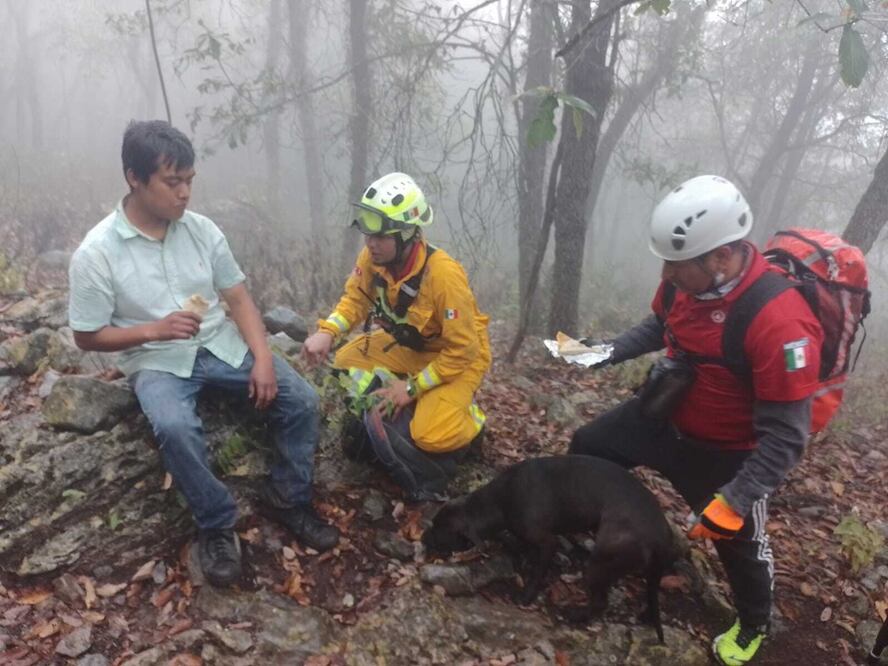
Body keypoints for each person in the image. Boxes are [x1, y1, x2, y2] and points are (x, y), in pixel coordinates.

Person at [68, 120, 339, 587]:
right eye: (172, 182)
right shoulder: (97, 252)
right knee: (174, 426)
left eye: (189, 181)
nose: (184, 193)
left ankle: (289, 499)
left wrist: (263, 358)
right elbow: (86, 336)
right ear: (134, 178)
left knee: (302, 400)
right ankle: (216, 525)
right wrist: (153, 329)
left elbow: (238, 299)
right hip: (156, 359)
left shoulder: (201, 231)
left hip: (219, 344)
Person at [568, 175, 823, 665]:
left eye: (676, 264)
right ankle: (612, 537)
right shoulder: (684, 283)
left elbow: (787, 437)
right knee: (589, 446)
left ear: (721, 256)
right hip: (663, 416)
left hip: (727, 452)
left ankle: (754, 624)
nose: (665, 274)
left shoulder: (779, 321)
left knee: (740, 546)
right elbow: (660, 324)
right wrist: (604, 351)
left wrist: (736, 499)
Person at [301, 172, 490, 501]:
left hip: (458, 358)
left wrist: (412, 388)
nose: (370, 243)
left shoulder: (443, 276)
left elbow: (463, 350)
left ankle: (470, 422)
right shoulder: (373, 259)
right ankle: (409, 403)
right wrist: (327, 332)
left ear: (406, 234)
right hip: (413, 348)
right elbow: (355, 300)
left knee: (431, 436)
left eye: (380, 236)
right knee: (345, 359)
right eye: (367, 234)